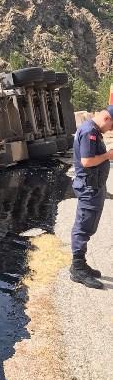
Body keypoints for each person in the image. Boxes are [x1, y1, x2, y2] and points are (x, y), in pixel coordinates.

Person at [70, 106, 113, 289]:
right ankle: (77, 268)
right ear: (106, 118)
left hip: (94, 187)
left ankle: (81, 263)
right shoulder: (89, 132)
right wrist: (108, 155)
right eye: (112, 126)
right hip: (89, 187)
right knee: (83, 226)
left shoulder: (93, 130)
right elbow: (87, 162)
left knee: (88, 225)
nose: (110, 130)